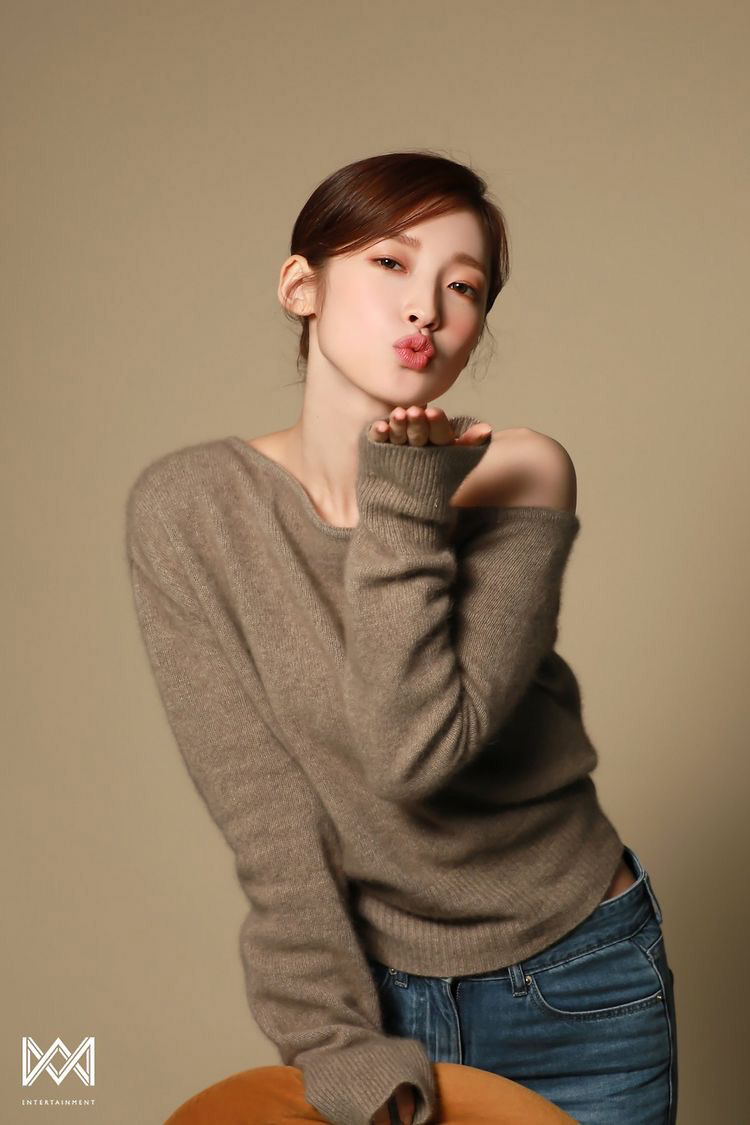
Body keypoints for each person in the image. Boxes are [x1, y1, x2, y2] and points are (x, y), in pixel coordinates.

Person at [125, 150, 678, 1125]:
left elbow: (411, 750)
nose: (425, 307)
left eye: (462, 287)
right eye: (390, 263)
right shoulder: (190, 510)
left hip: (580, 978)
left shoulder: (523, 471)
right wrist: (333, 1038)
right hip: (377, 994)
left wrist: (405, 495)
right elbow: (268, 818)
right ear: (301, 286)